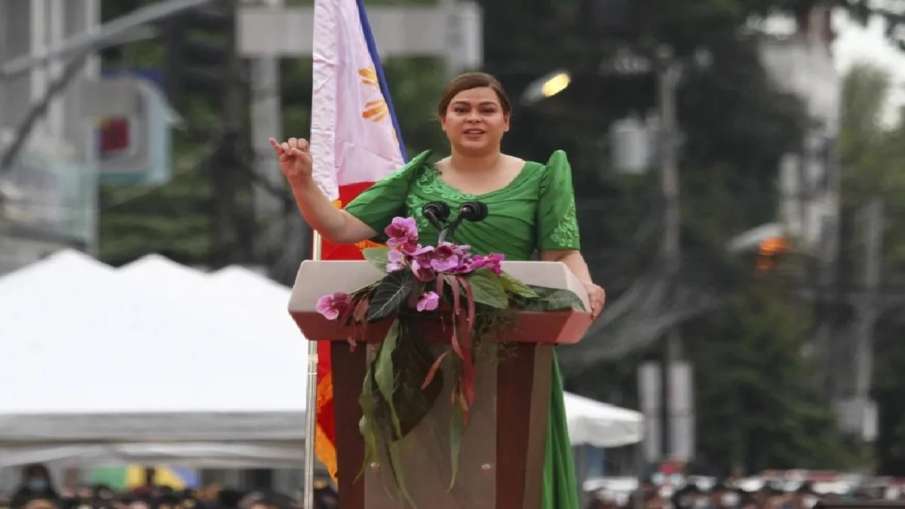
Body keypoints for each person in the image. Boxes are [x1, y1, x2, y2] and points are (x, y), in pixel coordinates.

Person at [271, 71, 606, 509]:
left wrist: (584, 285)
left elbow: (562, 255)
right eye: (461, 109)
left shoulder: (542, 178)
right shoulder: (417, 178)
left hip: (512, 352)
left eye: (487, 110)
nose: (474, 118)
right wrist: (302, 182)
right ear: (443, 121)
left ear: (506, 121)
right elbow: (341, 226)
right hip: (418, 352)